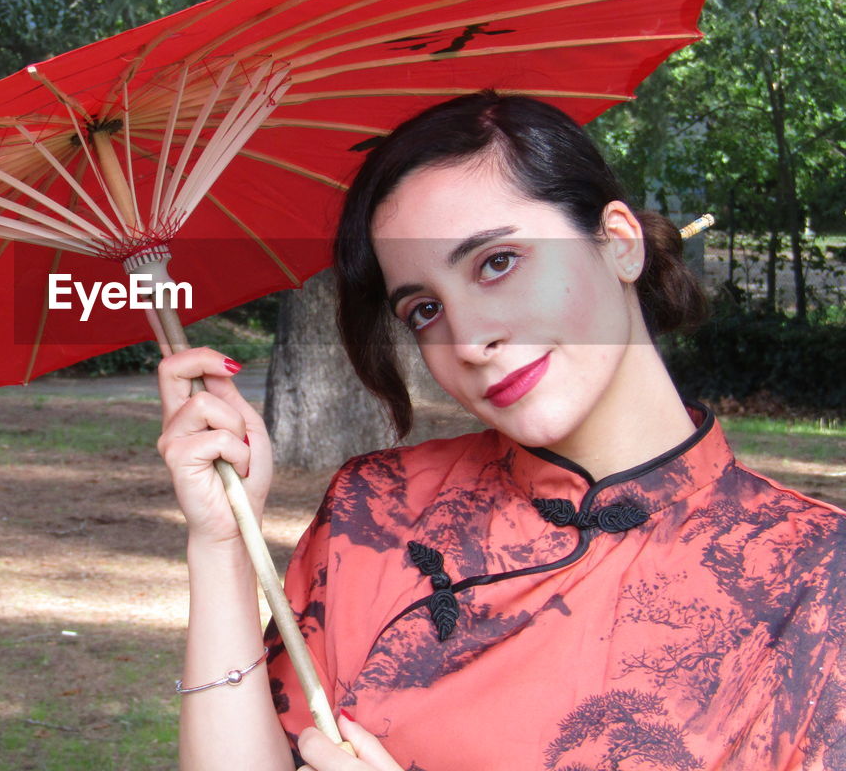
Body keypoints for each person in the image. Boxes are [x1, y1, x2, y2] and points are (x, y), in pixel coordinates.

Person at [155, 91, 846, 770]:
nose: (469, 339)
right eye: (424, 309)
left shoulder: (814, 576)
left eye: (497, 263)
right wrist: (219, 544)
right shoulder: (377, 512)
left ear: (619, 244)